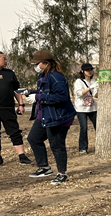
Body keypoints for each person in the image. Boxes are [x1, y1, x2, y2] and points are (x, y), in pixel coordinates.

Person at [24, 50, 77, 185]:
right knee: (34, 138)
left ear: (46, 63)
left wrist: (37, 97)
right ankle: (44, 167)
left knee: (56, 144)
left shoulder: (56, 77)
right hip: (45, 115)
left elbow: (61, 97)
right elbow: (45, 92)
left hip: (59, 116)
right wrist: (30, 92)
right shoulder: (43, 75)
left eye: (37, 64)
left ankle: (62, 174)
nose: (35, 66)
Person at [0, 51, 34, 166]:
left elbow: (16, 90)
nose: (6, 61)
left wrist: (21, 104)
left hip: (7, 108)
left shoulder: (10, 73)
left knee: (14, 132)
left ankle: (22, 156)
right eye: (4, 58)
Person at [74, 63, 98, 153]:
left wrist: (99, 88)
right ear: (82, 71)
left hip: (93, 108)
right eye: (87, 70)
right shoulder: (78, 81)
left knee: (98, 126)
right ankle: (83, 148)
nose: (90, 72)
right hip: (81, 109)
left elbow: (95, 95)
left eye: (91, 70)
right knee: (83, 128)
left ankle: (100, 145)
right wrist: (89, 88)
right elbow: (79, 93)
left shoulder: (94, 82)